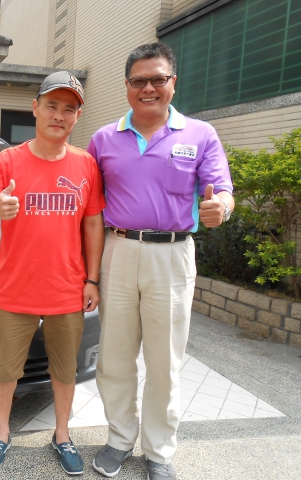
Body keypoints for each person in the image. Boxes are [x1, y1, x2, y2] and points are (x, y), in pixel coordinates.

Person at [87, 43, 235, 479]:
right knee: (114, 357)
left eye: (158, 79)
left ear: (173, 82)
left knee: (164, 361)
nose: (148, 88)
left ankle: (157, 451)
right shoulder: (103, 139)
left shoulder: (200, 134)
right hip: (118, 250)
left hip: (172, 255)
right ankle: (119, 439)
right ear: (127, 86)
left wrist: (221, 208)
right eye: (139, 81)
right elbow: (88, 209)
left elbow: (222, 191)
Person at [0, 71, 106, 475]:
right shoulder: (7, 161)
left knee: (65, 370)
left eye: (69, 109)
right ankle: (2, 432)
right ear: (35, 108)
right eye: (52, 105)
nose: (59, 115)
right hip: (16, 288)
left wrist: (92, 279)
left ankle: (62, 435)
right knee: (5, 370)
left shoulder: (86, 165)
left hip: (67, 289)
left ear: (77, 116)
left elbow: (93, 224)